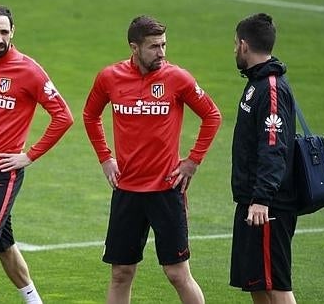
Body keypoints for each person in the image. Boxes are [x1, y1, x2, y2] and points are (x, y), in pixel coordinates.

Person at [83, 15, 221, 304]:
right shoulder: (110, 77)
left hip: (166, 190)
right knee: (121, 272)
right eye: (154, 47)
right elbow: (90, 115)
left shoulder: (177, 78)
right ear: (134, 47)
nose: (162, 52)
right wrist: (105, 158)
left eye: (164, 45)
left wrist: (193, 161)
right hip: (127, 190)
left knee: (176, 273)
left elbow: (212, 115)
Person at [0, 5, 73, 304]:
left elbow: (63, 116)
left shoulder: (29, 71)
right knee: (4, 245)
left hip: (4, 173)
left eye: (4, 32)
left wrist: (29, 156)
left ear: (13, 32)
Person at [229, 13, 297, 304]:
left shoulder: (270, 88)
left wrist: (262, 199)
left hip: (268, 204)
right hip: (253, 200)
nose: (234, 50)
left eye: (235, 44)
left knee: (277, 285)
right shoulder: (257, 83)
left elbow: (273, 146)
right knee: (257, 282)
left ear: (244, 45)